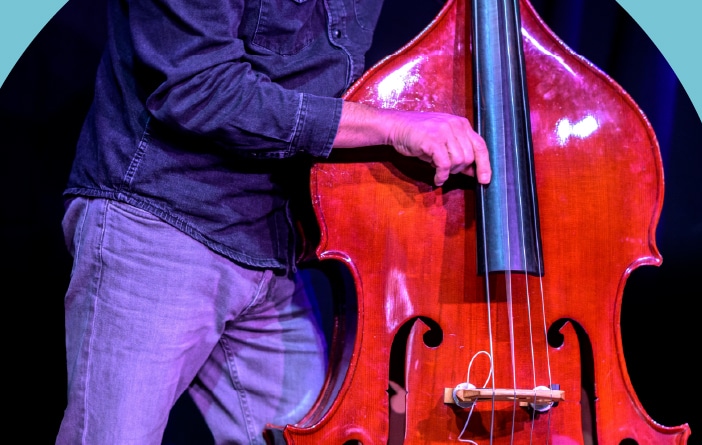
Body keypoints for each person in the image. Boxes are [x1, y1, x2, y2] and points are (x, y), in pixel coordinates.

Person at [55, 0, 491, 444]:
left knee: (314, 436)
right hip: (161, 225)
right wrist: (392, 127)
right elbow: (198, 89)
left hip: (273, 243)